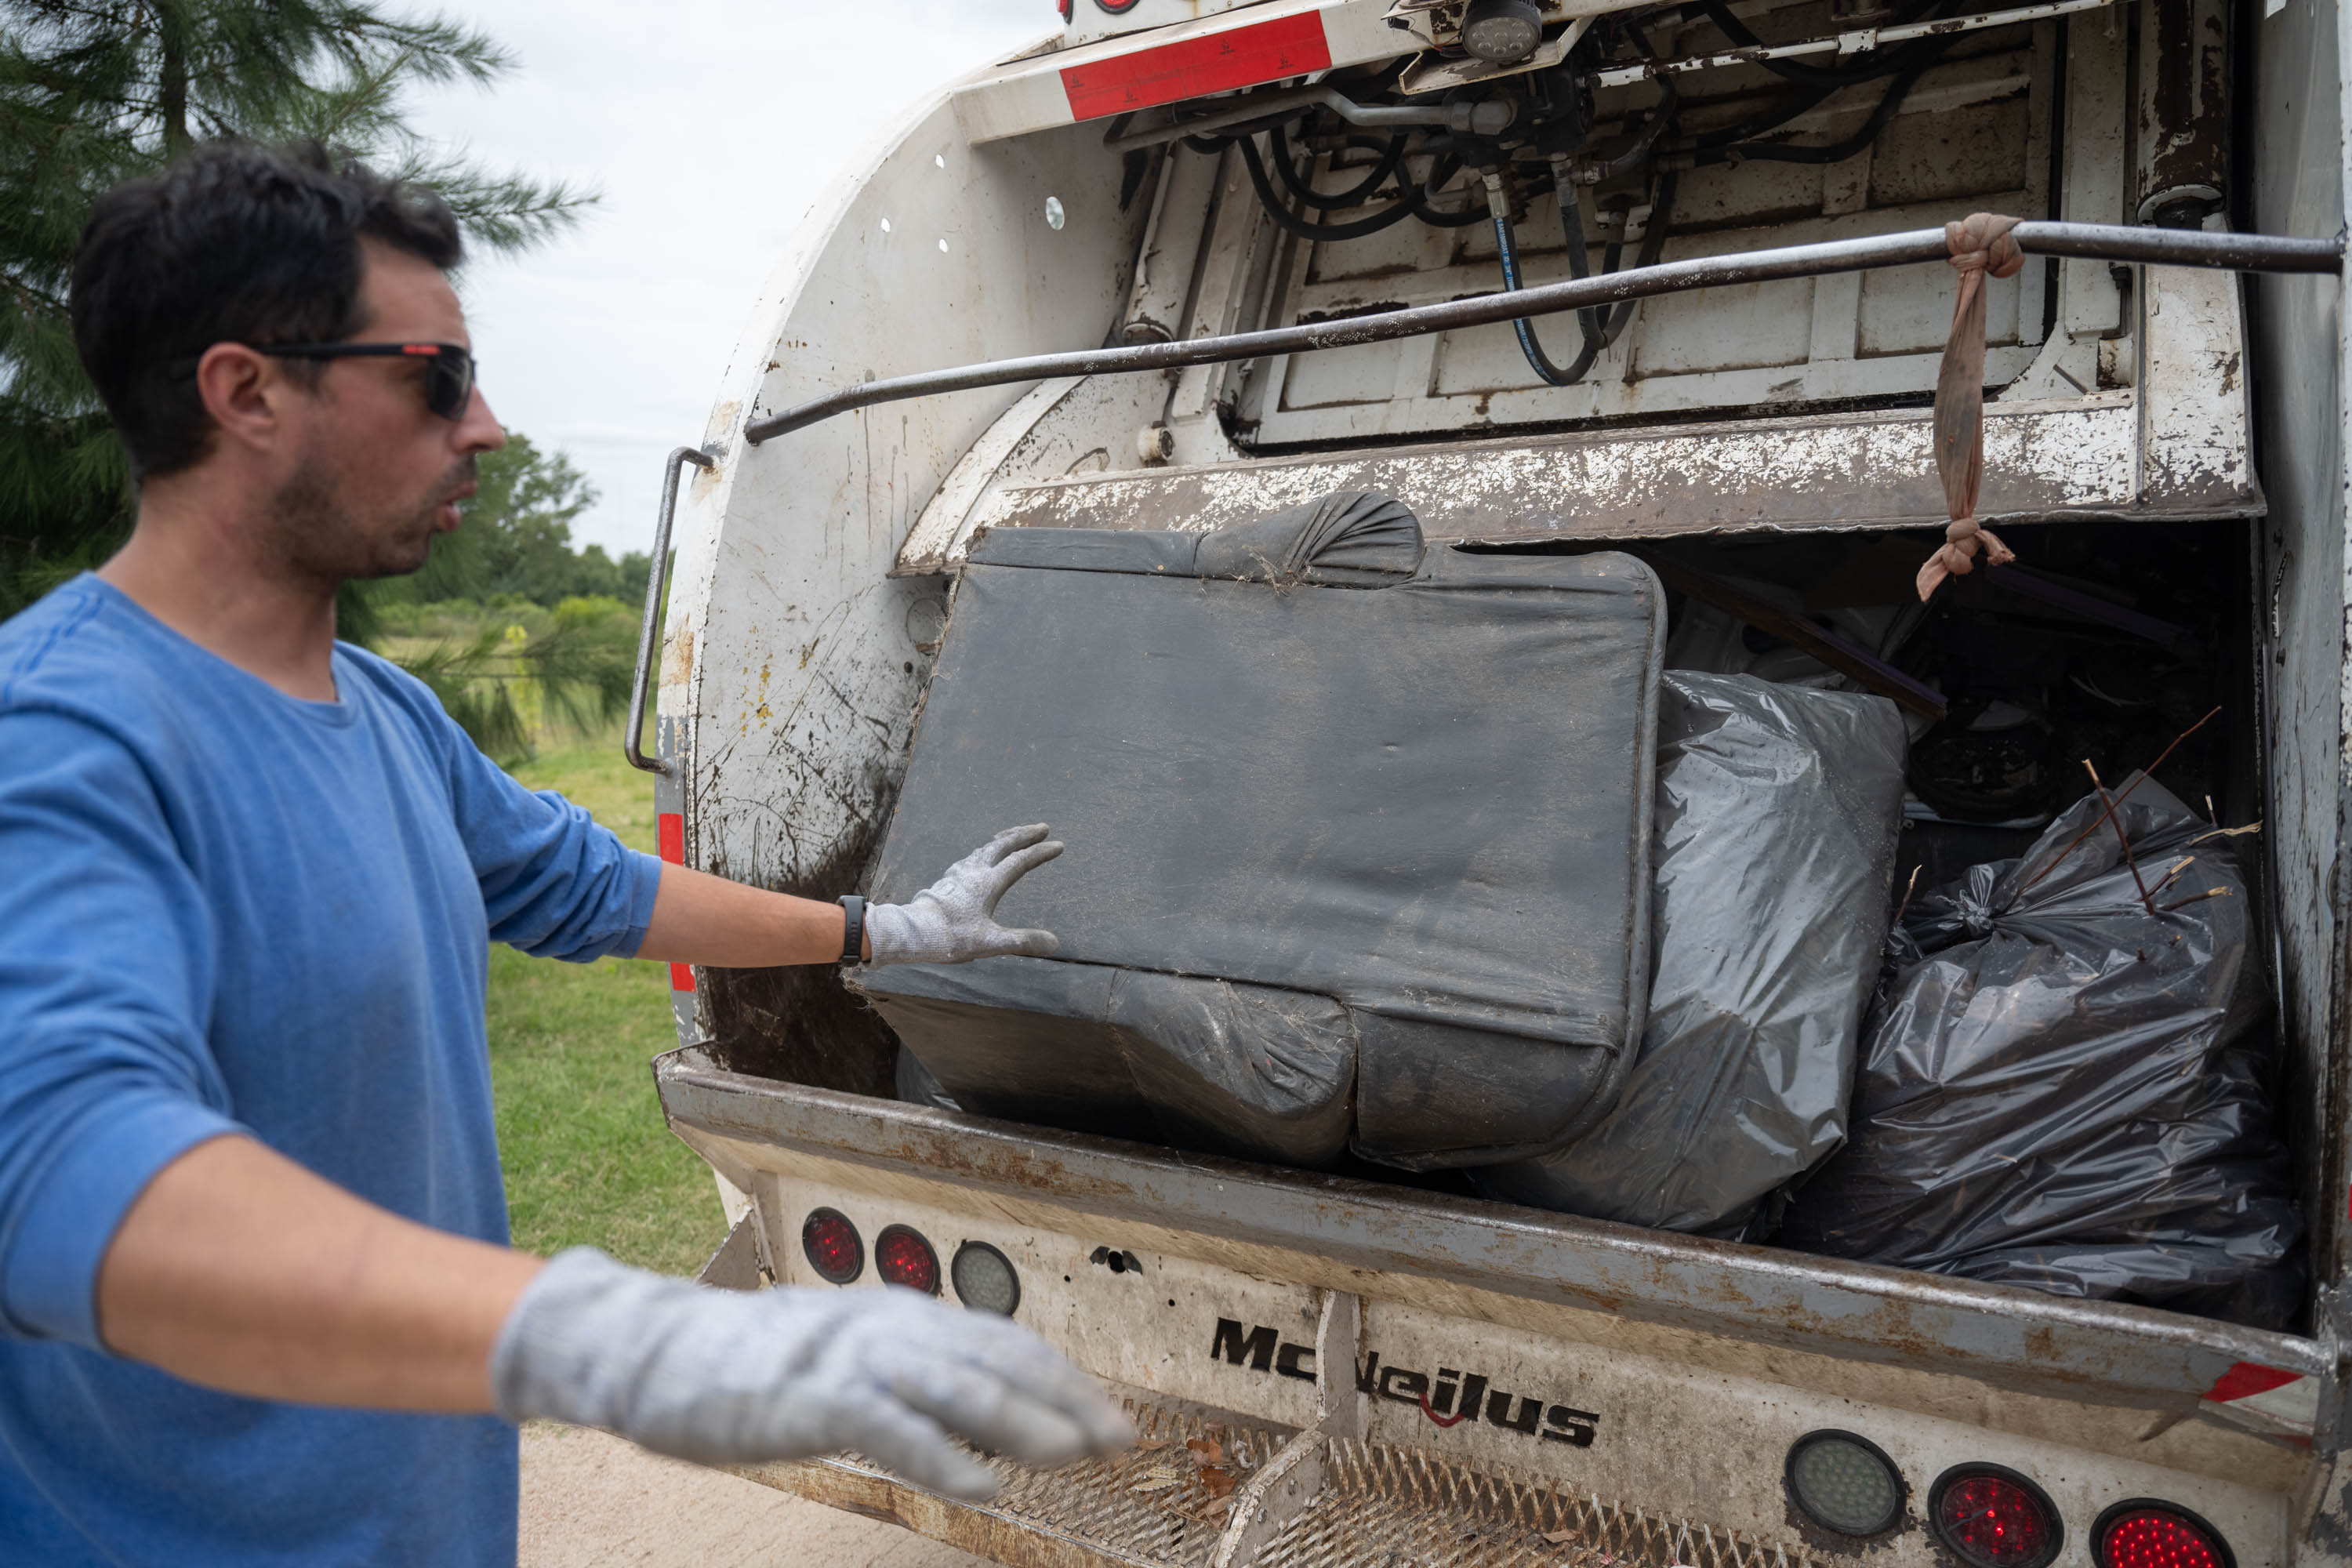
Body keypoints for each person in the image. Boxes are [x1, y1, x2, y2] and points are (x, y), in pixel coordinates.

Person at [0, 139, 1131, 1564]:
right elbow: (55, 1175)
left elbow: (597, 889)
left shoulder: (387, 715)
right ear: (247, 393)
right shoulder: (60, 735)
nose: (486, 427)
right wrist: (594, 1332)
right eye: (433, 379)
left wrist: (882, 932)